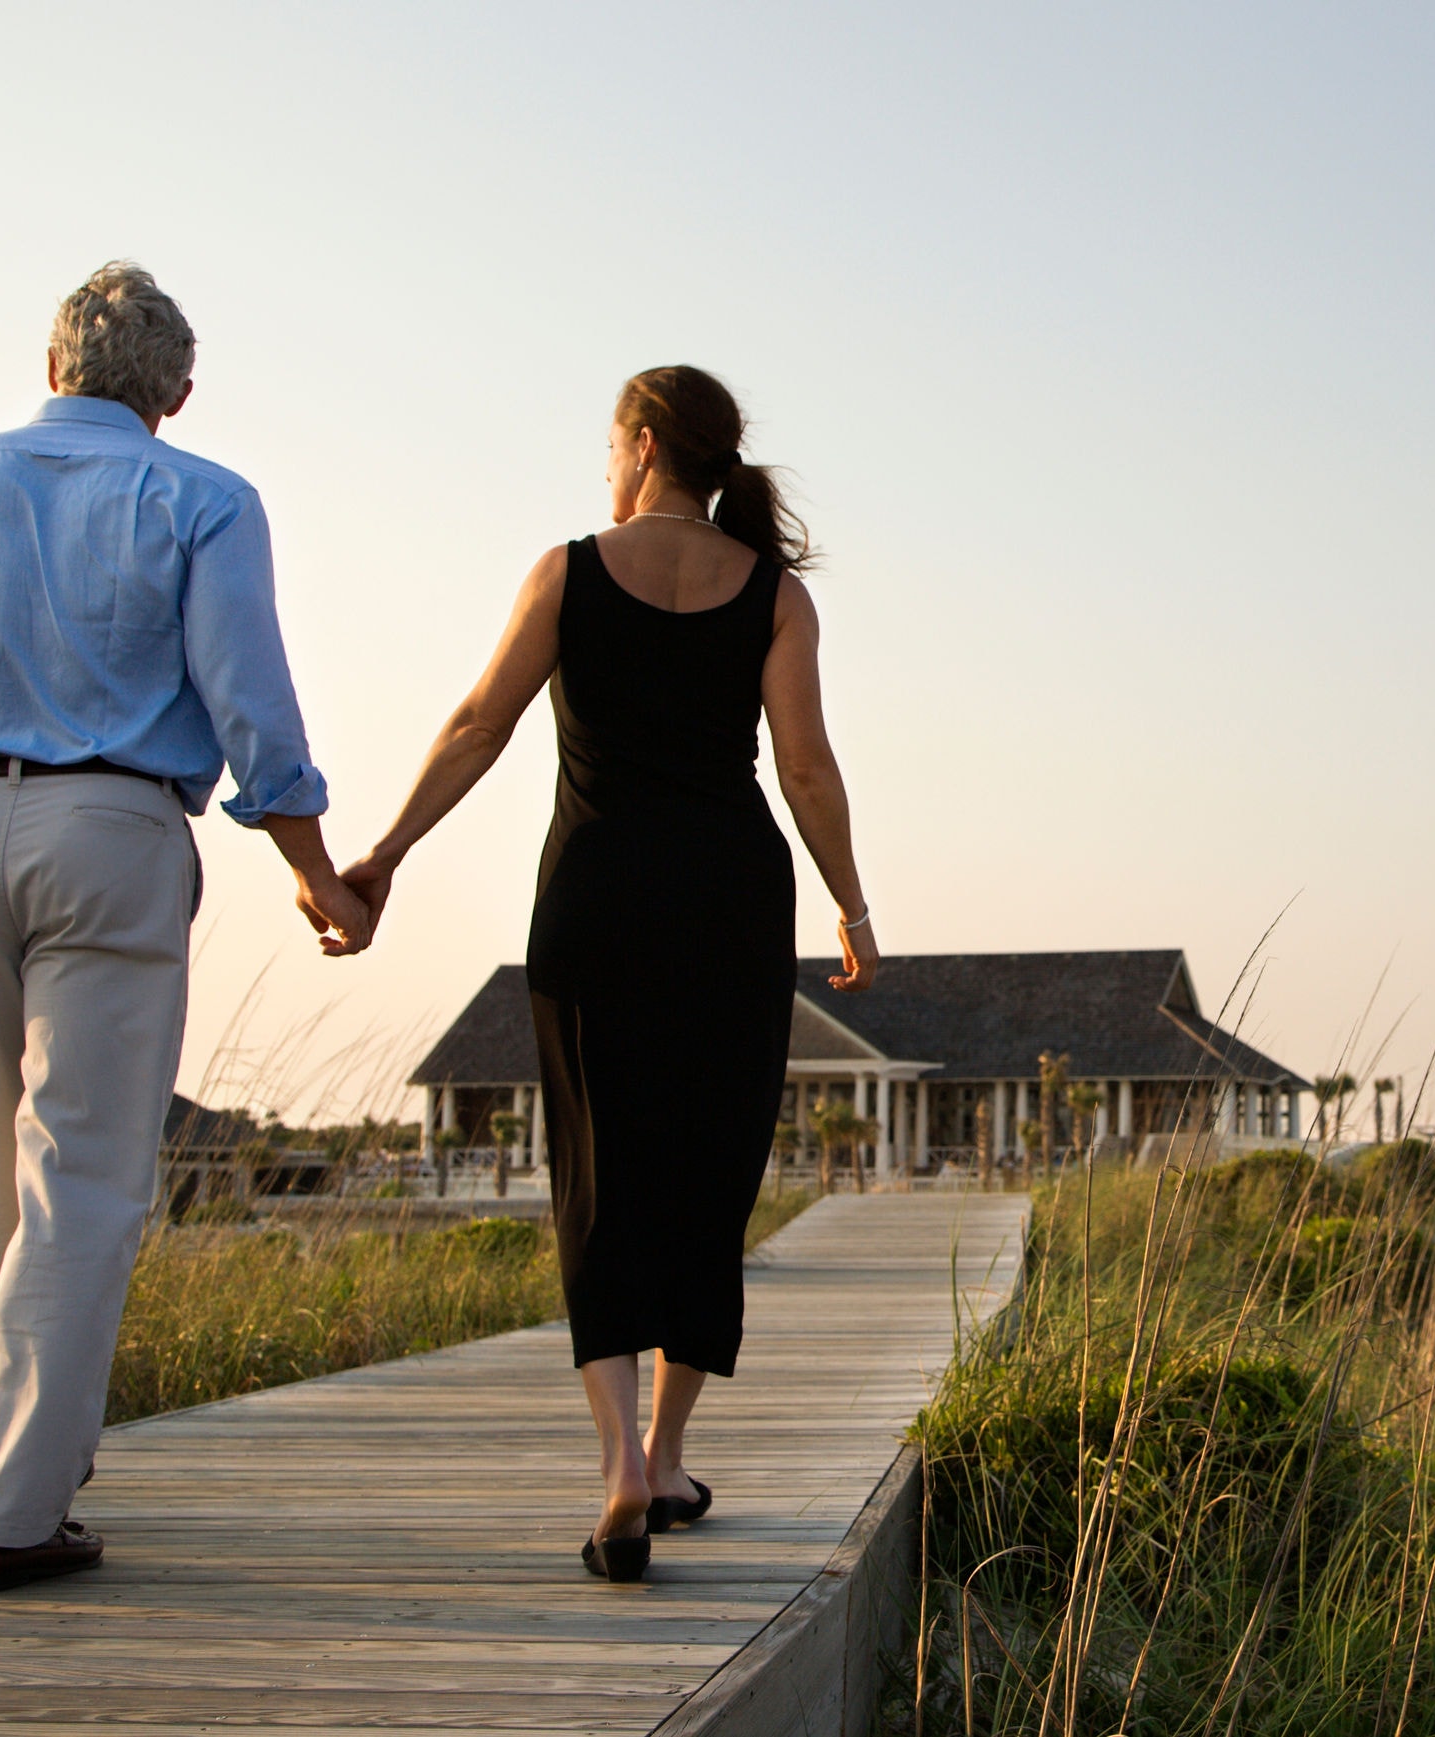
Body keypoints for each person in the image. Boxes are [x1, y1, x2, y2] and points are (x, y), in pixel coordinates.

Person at [0, 262, 372, 1595]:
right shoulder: (201, 498)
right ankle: (11, 1511)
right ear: (177, 392)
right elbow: (251, 703)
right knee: (83, 1175)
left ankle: (35, 1457)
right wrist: (313, 869)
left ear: (54, 364)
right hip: (117, 830)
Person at [341, 365, 876, 1582]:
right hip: (730, 906)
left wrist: (384, 854)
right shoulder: (774, 595)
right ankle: (669, 1448)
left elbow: (480, 723)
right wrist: (850, 902)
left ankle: (618, 1469)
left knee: (597, 1172)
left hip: (594, 899)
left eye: (608, 446)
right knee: (705, 1169)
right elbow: (805, 769)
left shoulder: (568, 569)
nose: (603, 467)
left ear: (641, 444)